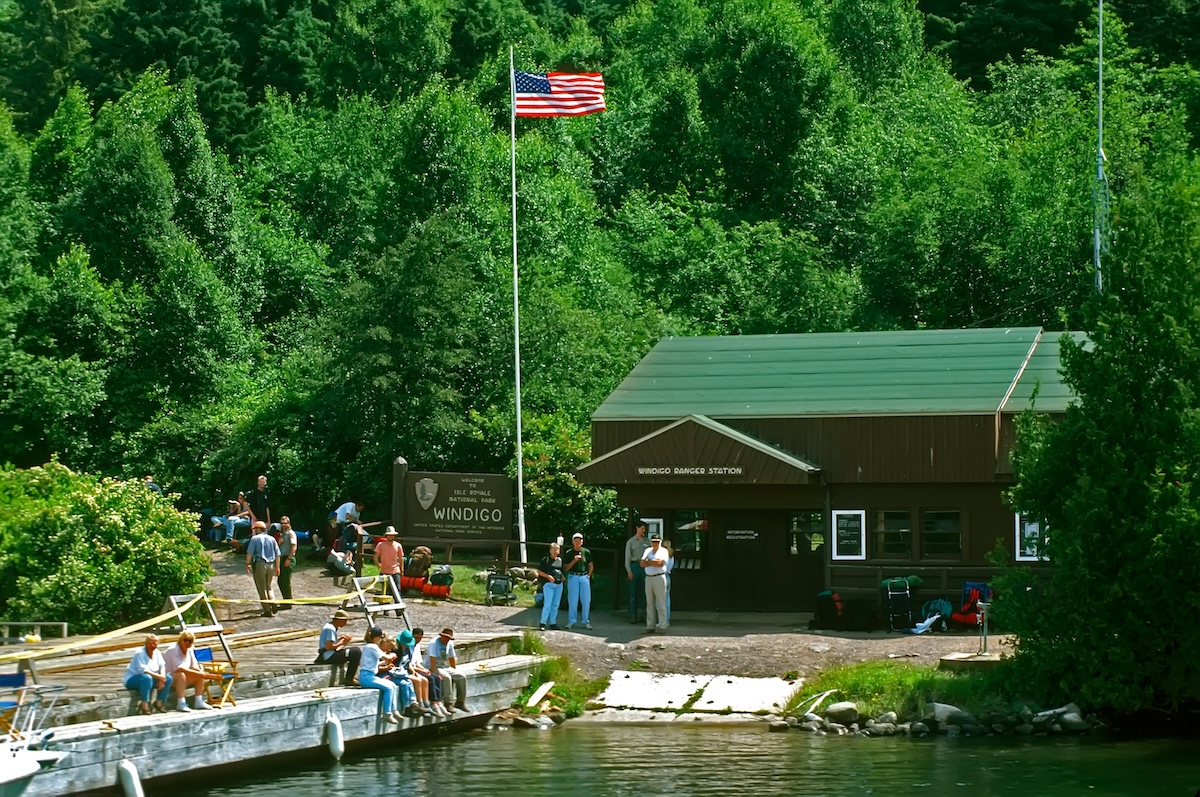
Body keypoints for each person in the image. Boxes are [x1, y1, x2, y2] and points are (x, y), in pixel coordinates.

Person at [163, 632, 221, 712]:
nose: (187, 643)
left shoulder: (190, 649)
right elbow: (179, 668)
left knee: (199, 674)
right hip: (168, 677)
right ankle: (181, 703)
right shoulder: (173, 650)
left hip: (183, 676)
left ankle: (199, 701)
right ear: (180, 640)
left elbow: (194, 665)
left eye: (190, 641)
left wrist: (202, 673)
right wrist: (203, 674)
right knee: (181, 675)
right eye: (185, 640)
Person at [358, 627, 402, 724]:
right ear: (377, 637)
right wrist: (392, 655)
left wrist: (385, 663)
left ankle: (394, 710)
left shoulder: (368, 647)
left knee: (393, 685)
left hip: (368, 676)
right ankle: (387, 713)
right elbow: (385, 657)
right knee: (389, 688)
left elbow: (375, 663)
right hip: (366, 677)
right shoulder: (372, 646)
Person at [123, 634, 173, 715]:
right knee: (146, 678)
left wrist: (162, 677)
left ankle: (159, 703)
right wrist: (159, 677)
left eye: (155, 643)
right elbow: (144, 670)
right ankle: (144, 704)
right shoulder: (140, 653)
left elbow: (162, 666)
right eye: (150, 643)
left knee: (169, 678)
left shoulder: (157, 653)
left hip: (150, 678)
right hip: (133, 679)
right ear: (146, 643)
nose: (153, 645)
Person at [424, 627, 468, 713]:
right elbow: (432, 659)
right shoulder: (434, 643)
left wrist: (454, 671)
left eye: (449, 638)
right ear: (441, 636)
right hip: (432, 667)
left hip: (444, 667)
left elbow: (451, 658)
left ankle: (460, 702)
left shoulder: (450, 643)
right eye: (445, 637)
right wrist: (435, 673)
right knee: (447, 677)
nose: (447, 640)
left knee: (462, 676)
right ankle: (448, 703)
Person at [314, 609, 363, 685]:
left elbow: (329, 642)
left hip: (328, 654)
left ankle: (351, 677)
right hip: (328, 656)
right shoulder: (330, 629)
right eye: (345, 621)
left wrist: (340, 639)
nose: (346, 623)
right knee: (356, 652)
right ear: (339, 620)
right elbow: (328, 647)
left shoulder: (330, 626)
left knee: (355, 651)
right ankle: (349, 679)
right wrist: (342, 642)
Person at [245, 521, 281, 617]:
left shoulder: (254, 539)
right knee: (269, 586)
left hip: (260, 564)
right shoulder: (272, 539)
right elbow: (278, 554)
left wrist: (247, 563)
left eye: (255, 529)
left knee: (261, 587)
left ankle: (267, 610)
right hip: (271, 565)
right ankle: (273, 601)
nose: (254, 531)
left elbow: (249, 553)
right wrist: (277, 567)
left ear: (258, 529)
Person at [410, 628, 448, 716]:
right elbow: (411, 664)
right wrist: (421, 670)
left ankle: (438, 701)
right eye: (416, 637)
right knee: (430, 679)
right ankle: (431, 703)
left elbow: (418, 662)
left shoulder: (417, 646)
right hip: (412, 670)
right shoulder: (409, 646)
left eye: (420, 638)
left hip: (417, 668)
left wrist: (424, 669)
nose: (418, 640)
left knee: (437, 677)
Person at [640, 532, 670, 633]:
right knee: (649, 603)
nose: (655, 544)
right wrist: (653, 561)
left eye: (657, 542)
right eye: (653, 541)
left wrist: (649, 561)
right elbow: (642, 563)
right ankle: (650, 626)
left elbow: (660, 563)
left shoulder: (663, 551)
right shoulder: (647, 550)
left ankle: (663, 626)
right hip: (648, 578)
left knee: (661, 602)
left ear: (660, 542)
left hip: (659, 577)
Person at [564, 532, 594, 630]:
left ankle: (586, 621)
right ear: (573, 542)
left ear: (582, 542)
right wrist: (574, 561)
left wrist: (588, 576)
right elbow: (565, 568)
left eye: (579, 540)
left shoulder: (586, 552)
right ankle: (572, 621)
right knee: (573, 600)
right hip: (573, 576)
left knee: (586, 600)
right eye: (576, 541)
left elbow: (591, 565)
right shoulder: (569, 553)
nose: (577, 542)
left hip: (584, 576)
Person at [624, 523, 650, 623]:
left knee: (644, 591)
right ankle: (633, 615)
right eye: (642, 528)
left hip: (645, 567)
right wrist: (629, 570)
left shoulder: (647, 541)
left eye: (645, 529)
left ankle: (643, 614)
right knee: (633, 592)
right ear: (637, 528)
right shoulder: (630, 542)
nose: (643, 530)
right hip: (634, 566)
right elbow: (627, 558)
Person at [373, 527, 405, 607]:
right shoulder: (381, 545)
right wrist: (377, 563)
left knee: (397, 590)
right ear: (386, 536)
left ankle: (399, 609)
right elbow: (375, 556)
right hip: (384, 571)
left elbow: (401, 559)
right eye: (389, 535)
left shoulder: (398, 545)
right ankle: (385, 608)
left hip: (395, 570)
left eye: (392, 535)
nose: (390, 537)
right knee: (385, 591)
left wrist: (402, 570)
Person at [537, 541, 564, 631]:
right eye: (554, 549)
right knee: (547, 604)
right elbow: (539, 571)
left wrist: (563, 577)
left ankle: (553, 623)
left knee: (556, 604)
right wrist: (548, 577)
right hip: (549, 584)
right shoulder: (546, 559)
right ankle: (543, 622)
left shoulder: (560, 560)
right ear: (550, 550)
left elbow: (561, 571)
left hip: (558, 584)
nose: (556, 551)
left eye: (557, 549)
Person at [277, 516, 298, 609]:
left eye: (285, 523)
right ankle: (285, 600)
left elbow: (294, 547)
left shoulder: (291, 533)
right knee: (280, 581)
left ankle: (288, 603)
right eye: (282, 523)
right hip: (281, 558)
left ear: (289, 524)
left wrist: (289, 559)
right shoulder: (282, 534)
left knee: (285, 581)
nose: (283, 525)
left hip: (288, 558)